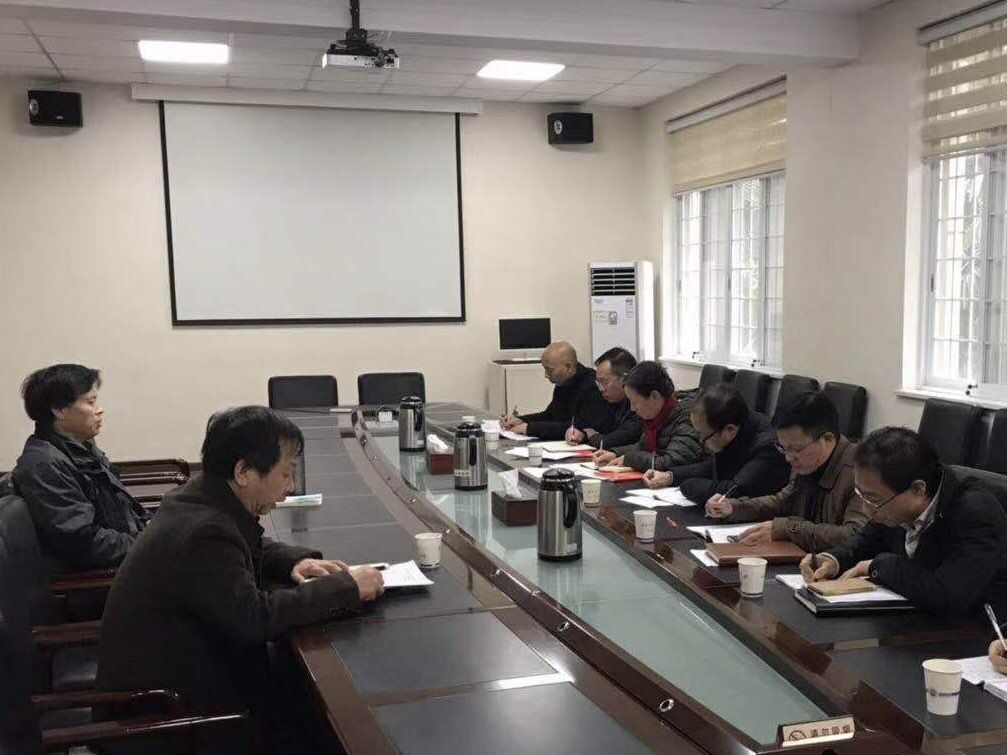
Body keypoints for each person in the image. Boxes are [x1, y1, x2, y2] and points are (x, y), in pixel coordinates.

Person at [96, 406, 384, 754]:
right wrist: (346, 588)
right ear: (244, 471)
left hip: (183, 679)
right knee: (323, 717)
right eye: (286, 474)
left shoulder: (202, 497)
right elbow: (255, 618)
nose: (290, 487)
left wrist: (294, 561)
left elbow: (246, 543)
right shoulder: (204, 532)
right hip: (170, 717)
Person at [802, 427, 1007, 617]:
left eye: (873, 499)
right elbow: (867, 541)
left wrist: (878, 565)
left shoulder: (976, 513)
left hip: (975, 631)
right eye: (861, 495)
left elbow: (948, 595)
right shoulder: (893, 499)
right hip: (913, 615)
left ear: (918, 489)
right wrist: (834, 559)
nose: (866, 509)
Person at [12, 364, 148, 571]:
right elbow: (83, 542)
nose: (99, 409)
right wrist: (150, 545)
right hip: (99, 576)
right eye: (91, 402)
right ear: (59, 410)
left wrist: (157, 531)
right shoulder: (43, 465)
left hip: (126, 551)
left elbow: (122, 509)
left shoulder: (79, 447)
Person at [705, 391, 869, 551]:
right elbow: (782, 502)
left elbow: (855, 536)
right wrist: (733, 507)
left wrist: (787, 529)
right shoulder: (807, 463)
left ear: (827, 439)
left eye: (795, 449)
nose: (788, 458)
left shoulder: (861, 472)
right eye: (783, 448)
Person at [642, 383, 790, 504]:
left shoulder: (768, 447)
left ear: (729, 430)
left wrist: (688, 486)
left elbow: (734, 490)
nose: (701, 441)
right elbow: (710, 466)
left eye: (703, 436)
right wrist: (671, 476)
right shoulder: (735, 425)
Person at [592, 361, 703, 473]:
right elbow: (642, 446)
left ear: (654, 396)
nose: (632, 409)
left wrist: (629, 459)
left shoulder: (688, 417)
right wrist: (615, 454)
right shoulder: (657, 416)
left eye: (635, 402)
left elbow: (671, 462)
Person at [500, 341, 610, 440]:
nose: (546, 375)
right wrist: (522, 420)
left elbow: (581, 426)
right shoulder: (563, 382)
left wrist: (531, 428)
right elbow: (550, 415)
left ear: (568, 367)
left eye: (549, 370)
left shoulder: (591, 385)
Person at [565, 347, 642, 450]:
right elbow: (592, 427)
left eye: (605, 382)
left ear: (624, 379)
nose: (601, 389)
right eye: (598, 383)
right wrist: (579, 433)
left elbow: (609, 442)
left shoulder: (639, 406)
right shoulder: (609, 400)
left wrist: (592, 436)